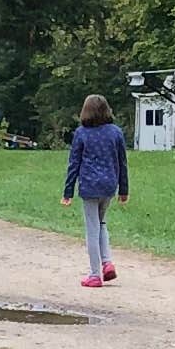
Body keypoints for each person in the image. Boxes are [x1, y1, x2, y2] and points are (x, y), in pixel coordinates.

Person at [62, 92, 131, 286]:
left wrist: (68, 191)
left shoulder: (81, 133)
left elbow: (73, 164)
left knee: (92, 228)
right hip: (109, 185)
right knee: (101, 224)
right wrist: (124, 190)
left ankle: (94, 274)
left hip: (89, 186)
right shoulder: (115, 132)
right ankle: (107, 263)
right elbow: (122, 163)